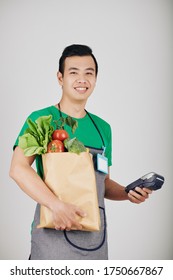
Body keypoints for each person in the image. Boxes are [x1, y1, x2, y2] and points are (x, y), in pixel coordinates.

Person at [9, 44, 152, 260]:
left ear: (95, 79)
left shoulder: (103, 128)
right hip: (52, 233)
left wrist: (127, 193)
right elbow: (18, 169)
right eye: (73, 72)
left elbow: (101, 183)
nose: (82, 79)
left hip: (94, 236)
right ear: (60, 78)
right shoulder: (41, 119)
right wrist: (56, 205)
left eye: (89, 73)